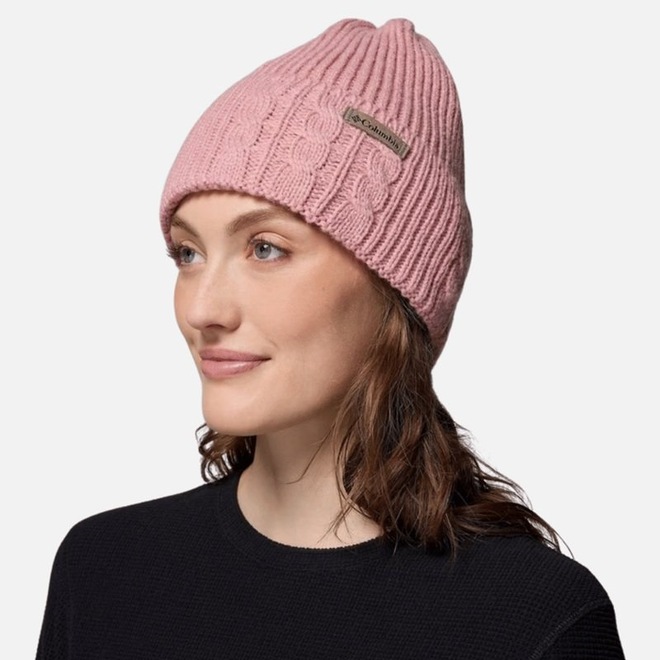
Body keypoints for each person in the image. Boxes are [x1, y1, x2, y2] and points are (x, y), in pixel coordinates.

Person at [35, 17, 625, 659]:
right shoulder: (102, 571)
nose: (202, 308)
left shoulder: (535, 620)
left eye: (265, 248)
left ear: (395, 286)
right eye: (188, 252)